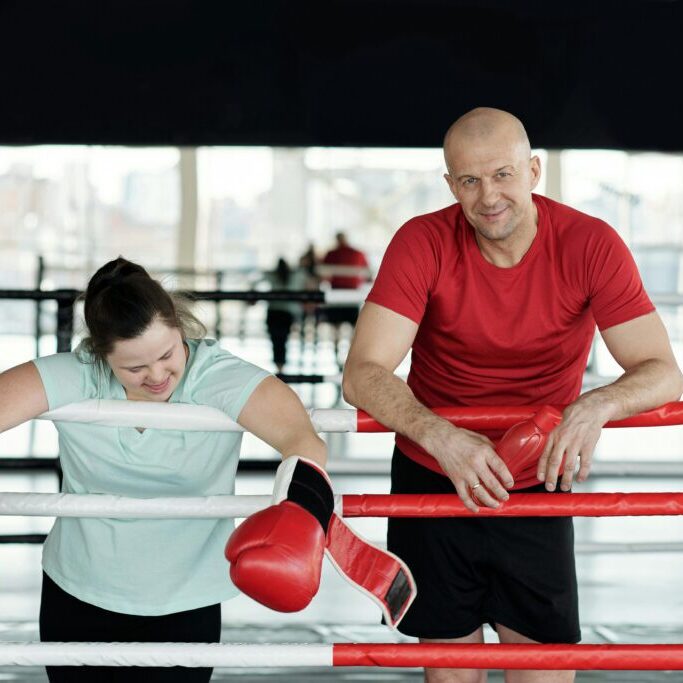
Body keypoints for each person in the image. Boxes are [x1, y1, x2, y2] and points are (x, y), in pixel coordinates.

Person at [342, 107, 683, 683]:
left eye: (502, 174)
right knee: (451, 670)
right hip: (434, 472)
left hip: (538, 478)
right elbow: (362, 372)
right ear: (450, 184)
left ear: (533, 171)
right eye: (469, 181)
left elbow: (663, 372)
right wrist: (438, 434)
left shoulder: (590, 243)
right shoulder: (421, 241)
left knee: (543, 667)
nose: (487, 196)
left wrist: (596, 404)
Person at [0, 257, 327, 683]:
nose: (156, 375)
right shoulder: (79, 373)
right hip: (79, 592)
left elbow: (304, 441)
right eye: (134, 368)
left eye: (167, 354)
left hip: (186, 602)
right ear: (102, 355)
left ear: (178, 326)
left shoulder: (218, 377)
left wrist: (300, 520)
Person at [264, 257, 306, 373]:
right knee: (283, 340)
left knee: (276, 341)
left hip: (273, 312)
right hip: (287, 314)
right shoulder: (296, 276)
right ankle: (280, 367)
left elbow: (256, 280)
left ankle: (279, 366)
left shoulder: (272, 276)